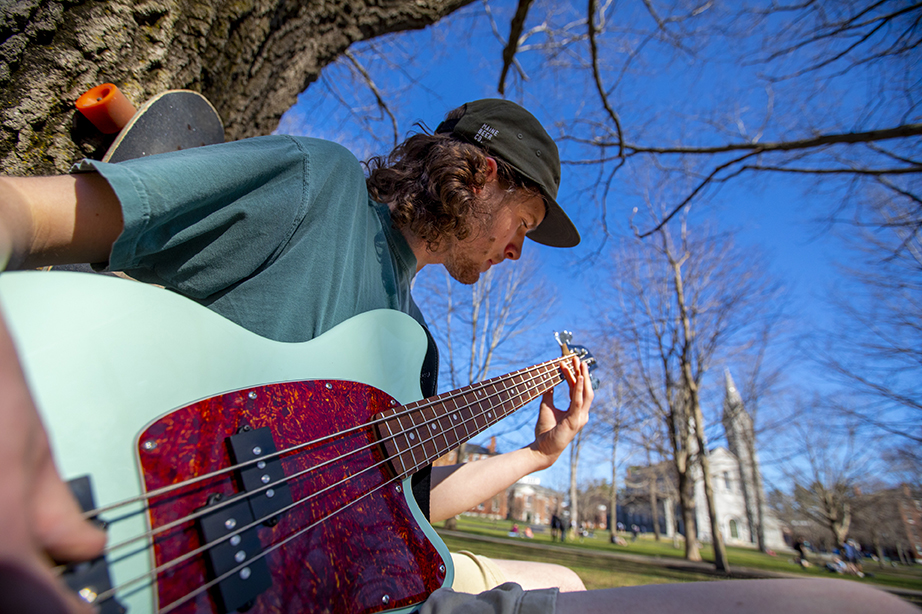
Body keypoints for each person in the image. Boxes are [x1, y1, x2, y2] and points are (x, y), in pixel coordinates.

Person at [0, 99, 915, 614]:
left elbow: (394, 510)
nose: (518, 252)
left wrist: (539, 458)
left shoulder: (416, 346)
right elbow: (24, 212)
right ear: (480, 174)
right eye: (522, 226)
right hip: (116, 522)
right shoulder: (316, 183)